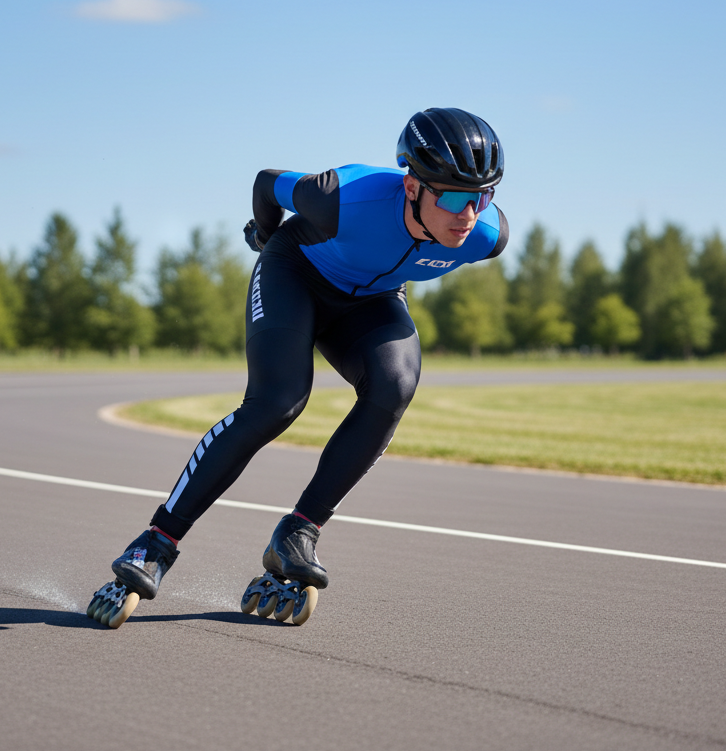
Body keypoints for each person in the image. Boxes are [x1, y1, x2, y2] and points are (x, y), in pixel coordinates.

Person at [87, 107, 509, 628]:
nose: (467, 214)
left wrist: (464, 210)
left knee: (394, 386)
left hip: (370, 299)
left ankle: (299, 531)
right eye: (452, 195)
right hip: (296, 273)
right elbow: (266, 184)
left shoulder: (488, 237)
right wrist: (266, 236)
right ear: (411, 186)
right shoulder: (338, 198)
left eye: (481, 196)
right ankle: (155, 542)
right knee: (277, 402)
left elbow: (419, 248)